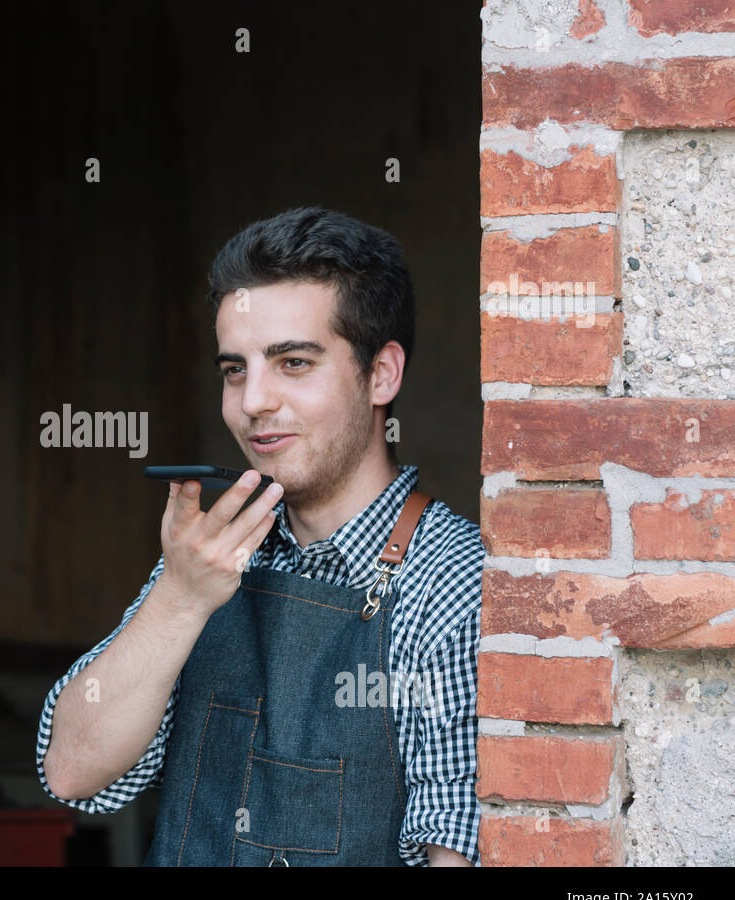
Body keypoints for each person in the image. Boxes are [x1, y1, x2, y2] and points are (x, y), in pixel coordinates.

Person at [36, 205, 483, 866]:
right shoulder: (209, 558)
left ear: (382, 374)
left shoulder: (452, 583)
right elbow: (74, 772)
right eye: (235, 370)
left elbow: (456, 853)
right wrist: (181, 597)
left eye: (293, 363)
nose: (251, 403)